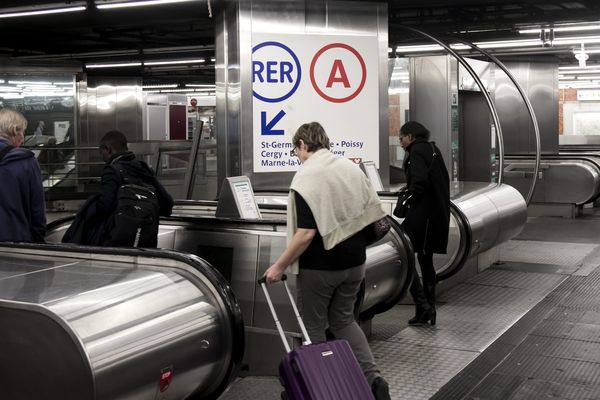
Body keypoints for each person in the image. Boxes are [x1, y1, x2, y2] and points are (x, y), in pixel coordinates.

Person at [263, 122, 391, 400]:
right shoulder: (348, 168)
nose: (296, 156)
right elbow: (374, 214)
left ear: (302, 145)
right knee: (344, 321)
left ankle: (321, 390)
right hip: (355, 261)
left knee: (313, 330)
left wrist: (278, 266)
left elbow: (306, 233)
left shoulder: (306, 178)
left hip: (320, 267)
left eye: (295, 150)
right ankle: (374, 380)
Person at [63, 130, 173, 246]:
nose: (103, 158)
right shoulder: (144, 169)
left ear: (108, 149)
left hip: (118, 241)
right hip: (145, 242)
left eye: (102, 153)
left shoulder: (112, 171)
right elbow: (168, 205)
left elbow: (105, 206)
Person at [398, 121, 450, 326]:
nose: (400, 142)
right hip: (435, 214)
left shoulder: (417, 151)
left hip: (423, 216)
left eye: (401, 138)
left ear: (410, 136)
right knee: (425, 260)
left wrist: (407, 199)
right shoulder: (432, 148)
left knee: (403, 252)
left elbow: (419, 182)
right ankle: (428, 309)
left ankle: (423, 305)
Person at [0, 108, 46, 242]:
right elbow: (37, 208)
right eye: (23, 132)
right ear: (15, 130)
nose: (23, 138)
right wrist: (38, 239)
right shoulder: (26, 161)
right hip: (16, 240)